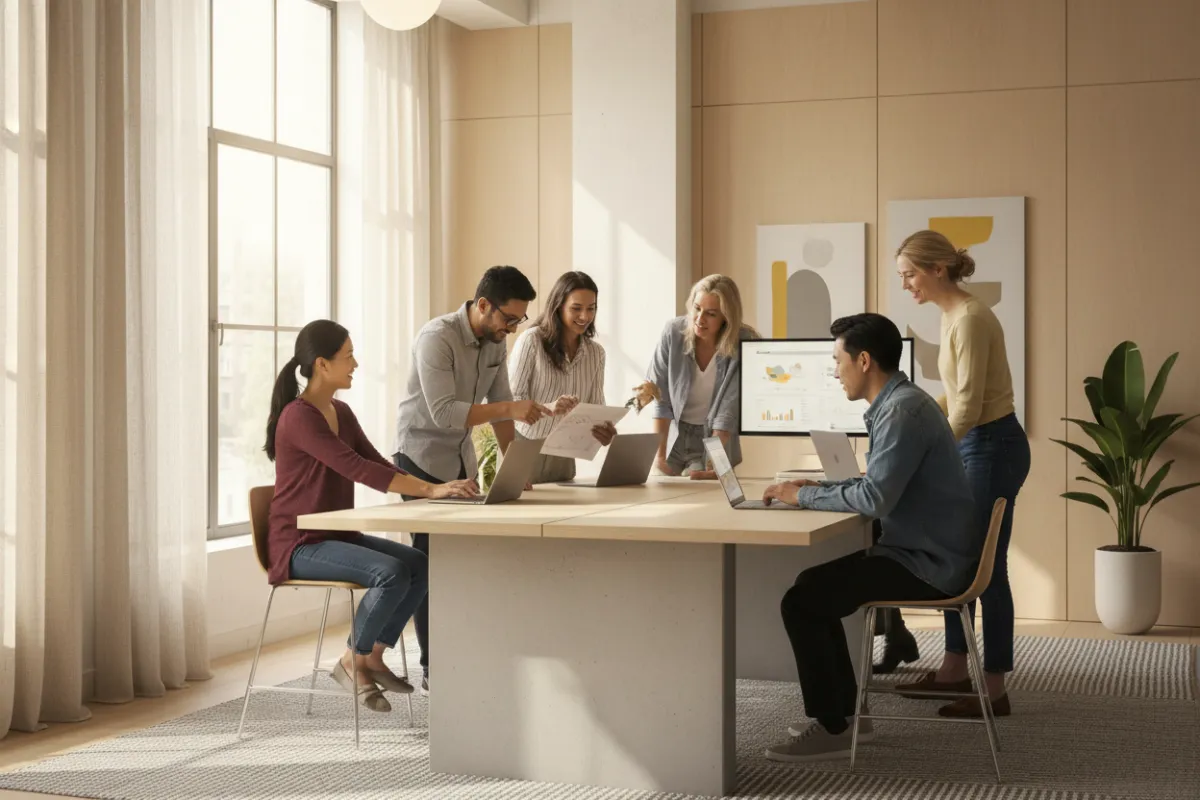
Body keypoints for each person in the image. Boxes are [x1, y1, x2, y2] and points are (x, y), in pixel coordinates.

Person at [759, 313, 977, 763]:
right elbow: (876, 485)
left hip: (927, 565)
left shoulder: (902, 412)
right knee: (811, 590)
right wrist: (811, 492)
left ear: (862, 360)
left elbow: (875, 498)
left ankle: (836, 726)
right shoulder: (900, 404)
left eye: (837, 360)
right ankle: (847, 716)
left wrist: (803, 497)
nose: (834, 370)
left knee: (804, 600)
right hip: (924, 552)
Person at [265, 320, 478, 713]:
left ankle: (372, 656)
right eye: (347, 356)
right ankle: (352, 659)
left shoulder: (340, 412)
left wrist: (437, 487)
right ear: (321, 364)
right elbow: (354, 468)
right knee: (390, 573)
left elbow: (375, 461)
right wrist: (432, 489)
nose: (356, 364)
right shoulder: (299, 417)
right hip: (299, 545)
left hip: (336, 537)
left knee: (418, 562)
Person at [392, 265, 556, 693]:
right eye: (509, 318)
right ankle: (433, 670)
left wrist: (513, 464)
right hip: (420, 459)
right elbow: (446, 411)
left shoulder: (494, 341)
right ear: (483, 305)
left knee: (464, 560)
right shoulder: (437, 338)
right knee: (430, 561)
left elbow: (500, 402)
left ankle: (466, 654)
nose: (514, 327)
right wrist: (513, 410)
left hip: (459, 458)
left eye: (520, 320)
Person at [893, 230, 1031, 718]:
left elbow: (970, 407)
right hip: (978, 442)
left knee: (985, 568)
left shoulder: (970, 318)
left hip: (992, 445)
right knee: (960, 557)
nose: (906, 284)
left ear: (937, 269)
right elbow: (953, 398)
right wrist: (915, 425)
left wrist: (930, 456)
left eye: (909, 273)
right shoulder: (954, 316)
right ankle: (954, 668)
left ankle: (993, 687)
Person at [508, 271, 618, 483]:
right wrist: (549, 407)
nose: (585, 316)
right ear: (558, 306)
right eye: (576, 308)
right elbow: (510, 402)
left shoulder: (596, 353)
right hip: (526, 449)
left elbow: (596, 407)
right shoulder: (531, 341)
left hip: (564, 456)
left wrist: (604, 431)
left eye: (591, 308)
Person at [646, 274, 755, 478]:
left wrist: (714, 463)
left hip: (713, 438)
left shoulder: (743, 343)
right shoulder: (673, 332)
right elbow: (661, 398)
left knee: (699, 487)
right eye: (697, 308)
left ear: (726, 317)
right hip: (674, 437)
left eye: (711, 314)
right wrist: (659, 456)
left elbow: (727, 412)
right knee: (659, 488)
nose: (699, 319)